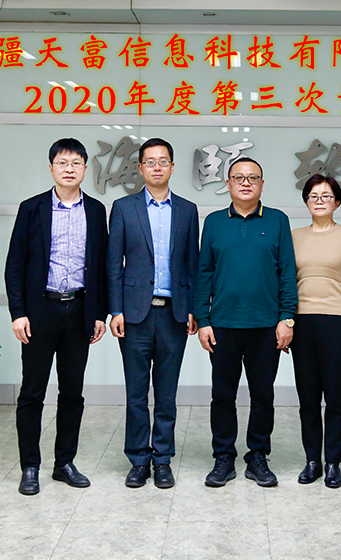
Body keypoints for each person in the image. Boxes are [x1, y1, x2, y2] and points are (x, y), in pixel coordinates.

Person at [4, 138, 108, 496]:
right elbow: (15, 265)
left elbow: (101, 266)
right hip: (40, 312)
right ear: (51, 168)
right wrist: (18, 312)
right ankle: (30, 466)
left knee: (72, 392)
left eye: (76, 163)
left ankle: (64, 462)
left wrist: (99, 313)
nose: (69, 169)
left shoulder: (96, 210)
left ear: (85, 169)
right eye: (62, 163)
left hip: (79, 310)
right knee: (32, 392)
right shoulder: (31, 208)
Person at [193, 157, 298, 488]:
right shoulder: (214, 222)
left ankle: (257, 456)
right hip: (222, 325)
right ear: (228, 184)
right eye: (239, 177)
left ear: (262, 184)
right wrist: (203, 319)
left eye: (253, 178)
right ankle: (224, 456)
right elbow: (203, 273)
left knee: (262, 395)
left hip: (266, 325)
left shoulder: (278, 220)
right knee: (222, 395)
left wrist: (287, 318)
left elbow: (287, 272)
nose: (246, 183)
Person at [107, 138, 199, 489]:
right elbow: (113, 263)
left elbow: (192, 264)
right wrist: (115, 309)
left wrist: (193, 309)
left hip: (174, 314)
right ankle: (138, 460)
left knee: (166, 394)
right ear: (140, 168)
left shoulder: (188, 210)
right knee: (135, 394)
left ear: (172, 167)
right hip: (134, 315)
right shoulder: (123, 208)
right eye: (150, 161)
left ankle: (162, 460)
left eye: (163, 161)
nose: (157, 167)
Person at [290, 174, 341, 489]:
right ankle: (312, 460)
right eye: (314, 196)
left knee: (335, 396)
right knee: (308, 397)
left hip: (337, 322)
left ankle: (333, 461)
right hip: (302, 322)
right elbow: (285, 283)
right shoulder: (293, 236)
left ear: (337, 201)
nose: (320, 201)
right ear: (306, 201)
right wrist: (286, 322)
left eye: (326, 196)